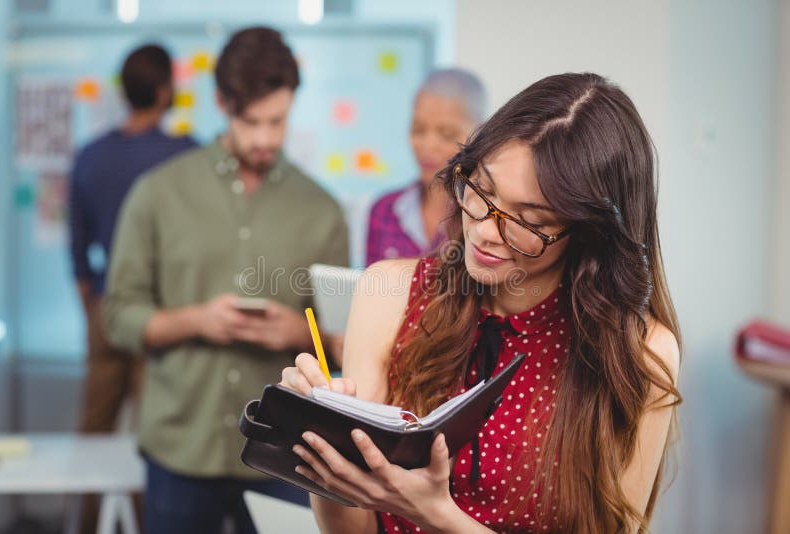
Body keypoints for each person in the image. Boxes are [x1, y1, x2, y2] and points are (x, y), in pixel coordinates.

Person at [279, 73, 682, 533]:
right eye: (482, 191)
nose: (487, 231)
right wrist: (319, 445)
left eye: (529, 221)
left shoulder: (642, 353)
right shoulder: (387, 294)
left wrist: (437, 515)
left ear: (590, 236)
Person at [103, 27, 349, 534]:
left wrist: (298, 334)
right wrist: (197, 320)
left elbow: (346, 344)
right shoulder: (158, 193)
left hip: (285, 453)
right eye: (251, 121)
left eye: (277, 121)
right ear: (221, 103)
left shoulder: (322, 211)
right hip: (179, 449)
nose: (265, 139)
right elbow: (117, 316)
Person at [68, 43, 196, 534]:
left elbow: (78, 251)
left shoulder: (90, 156)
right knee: (158, 435)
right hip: (165, 317)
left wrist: (95, 310)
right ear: (166, 90)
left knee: (92, 430)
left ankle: (83, 524)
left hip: (107, 307)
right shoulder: (185, 155)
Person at [365, 68, 486, 265]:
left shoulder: (484, 217)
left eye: (446, 134)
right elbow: (368, 288)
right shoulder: (384, 211)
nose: (427, 147)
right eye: (418, 130)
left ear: (478, 135)